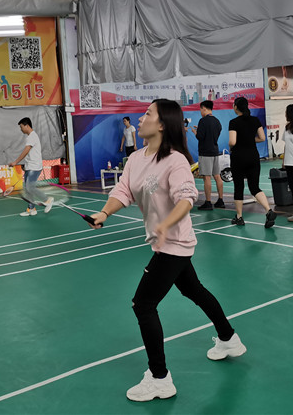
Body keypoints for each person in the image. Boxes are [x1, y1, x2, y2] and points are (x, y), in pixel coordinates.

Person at [87, 99, 246, 402]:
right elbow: (123, 190)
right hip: (165, 243)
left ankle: (160, 378)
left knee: (143, 304)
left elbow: (186, 197)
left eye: (147, 114)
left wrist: (165, 224)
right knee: (194, 290)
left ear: (161, 124)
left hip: (174, 243)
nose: (140, 118)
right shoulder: (136, 158)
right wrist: (104, 213)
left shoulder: (176, 161)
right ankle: (229, 338)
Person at [228, 96, 276, 228]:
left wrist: (231, 146)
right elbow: (262, 138)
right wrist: (249, 139)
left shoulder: (233, 122)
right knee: (254, 187)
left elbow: (232, 141)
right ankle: (268, 210)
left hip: (238, 158)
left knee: (239, 187)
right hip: (253, 157)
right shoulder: (255, 120)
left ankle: (239, 217)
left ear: (236, 107)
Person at [8, 117, 54, 217]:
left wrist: (15, 162)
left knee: (30, 187)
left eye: (21, 127)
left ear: (27, 126)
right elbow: (30, 154)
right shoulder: (30, 137)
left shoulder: (32, 136)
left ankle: (47, 200)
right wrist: (26, 165)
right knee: (28, 189)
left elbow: (26, 151)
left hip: (34, 167)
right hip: (30, 166)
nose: (21, 129)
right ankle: (31, 209)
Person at [191, 100, 225, 210]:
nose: (200, 112)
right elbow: (213, 133)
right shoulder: (217, 121)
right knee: (217, 176)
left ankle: (208, 202)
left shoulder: (203, 121)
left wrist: (195, 132)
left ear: (204, 108)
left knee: (207, 177)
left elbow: (200, 137)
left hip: (205, 153)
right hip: (215, 151)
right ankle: (220, 200)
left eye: (200, 109)